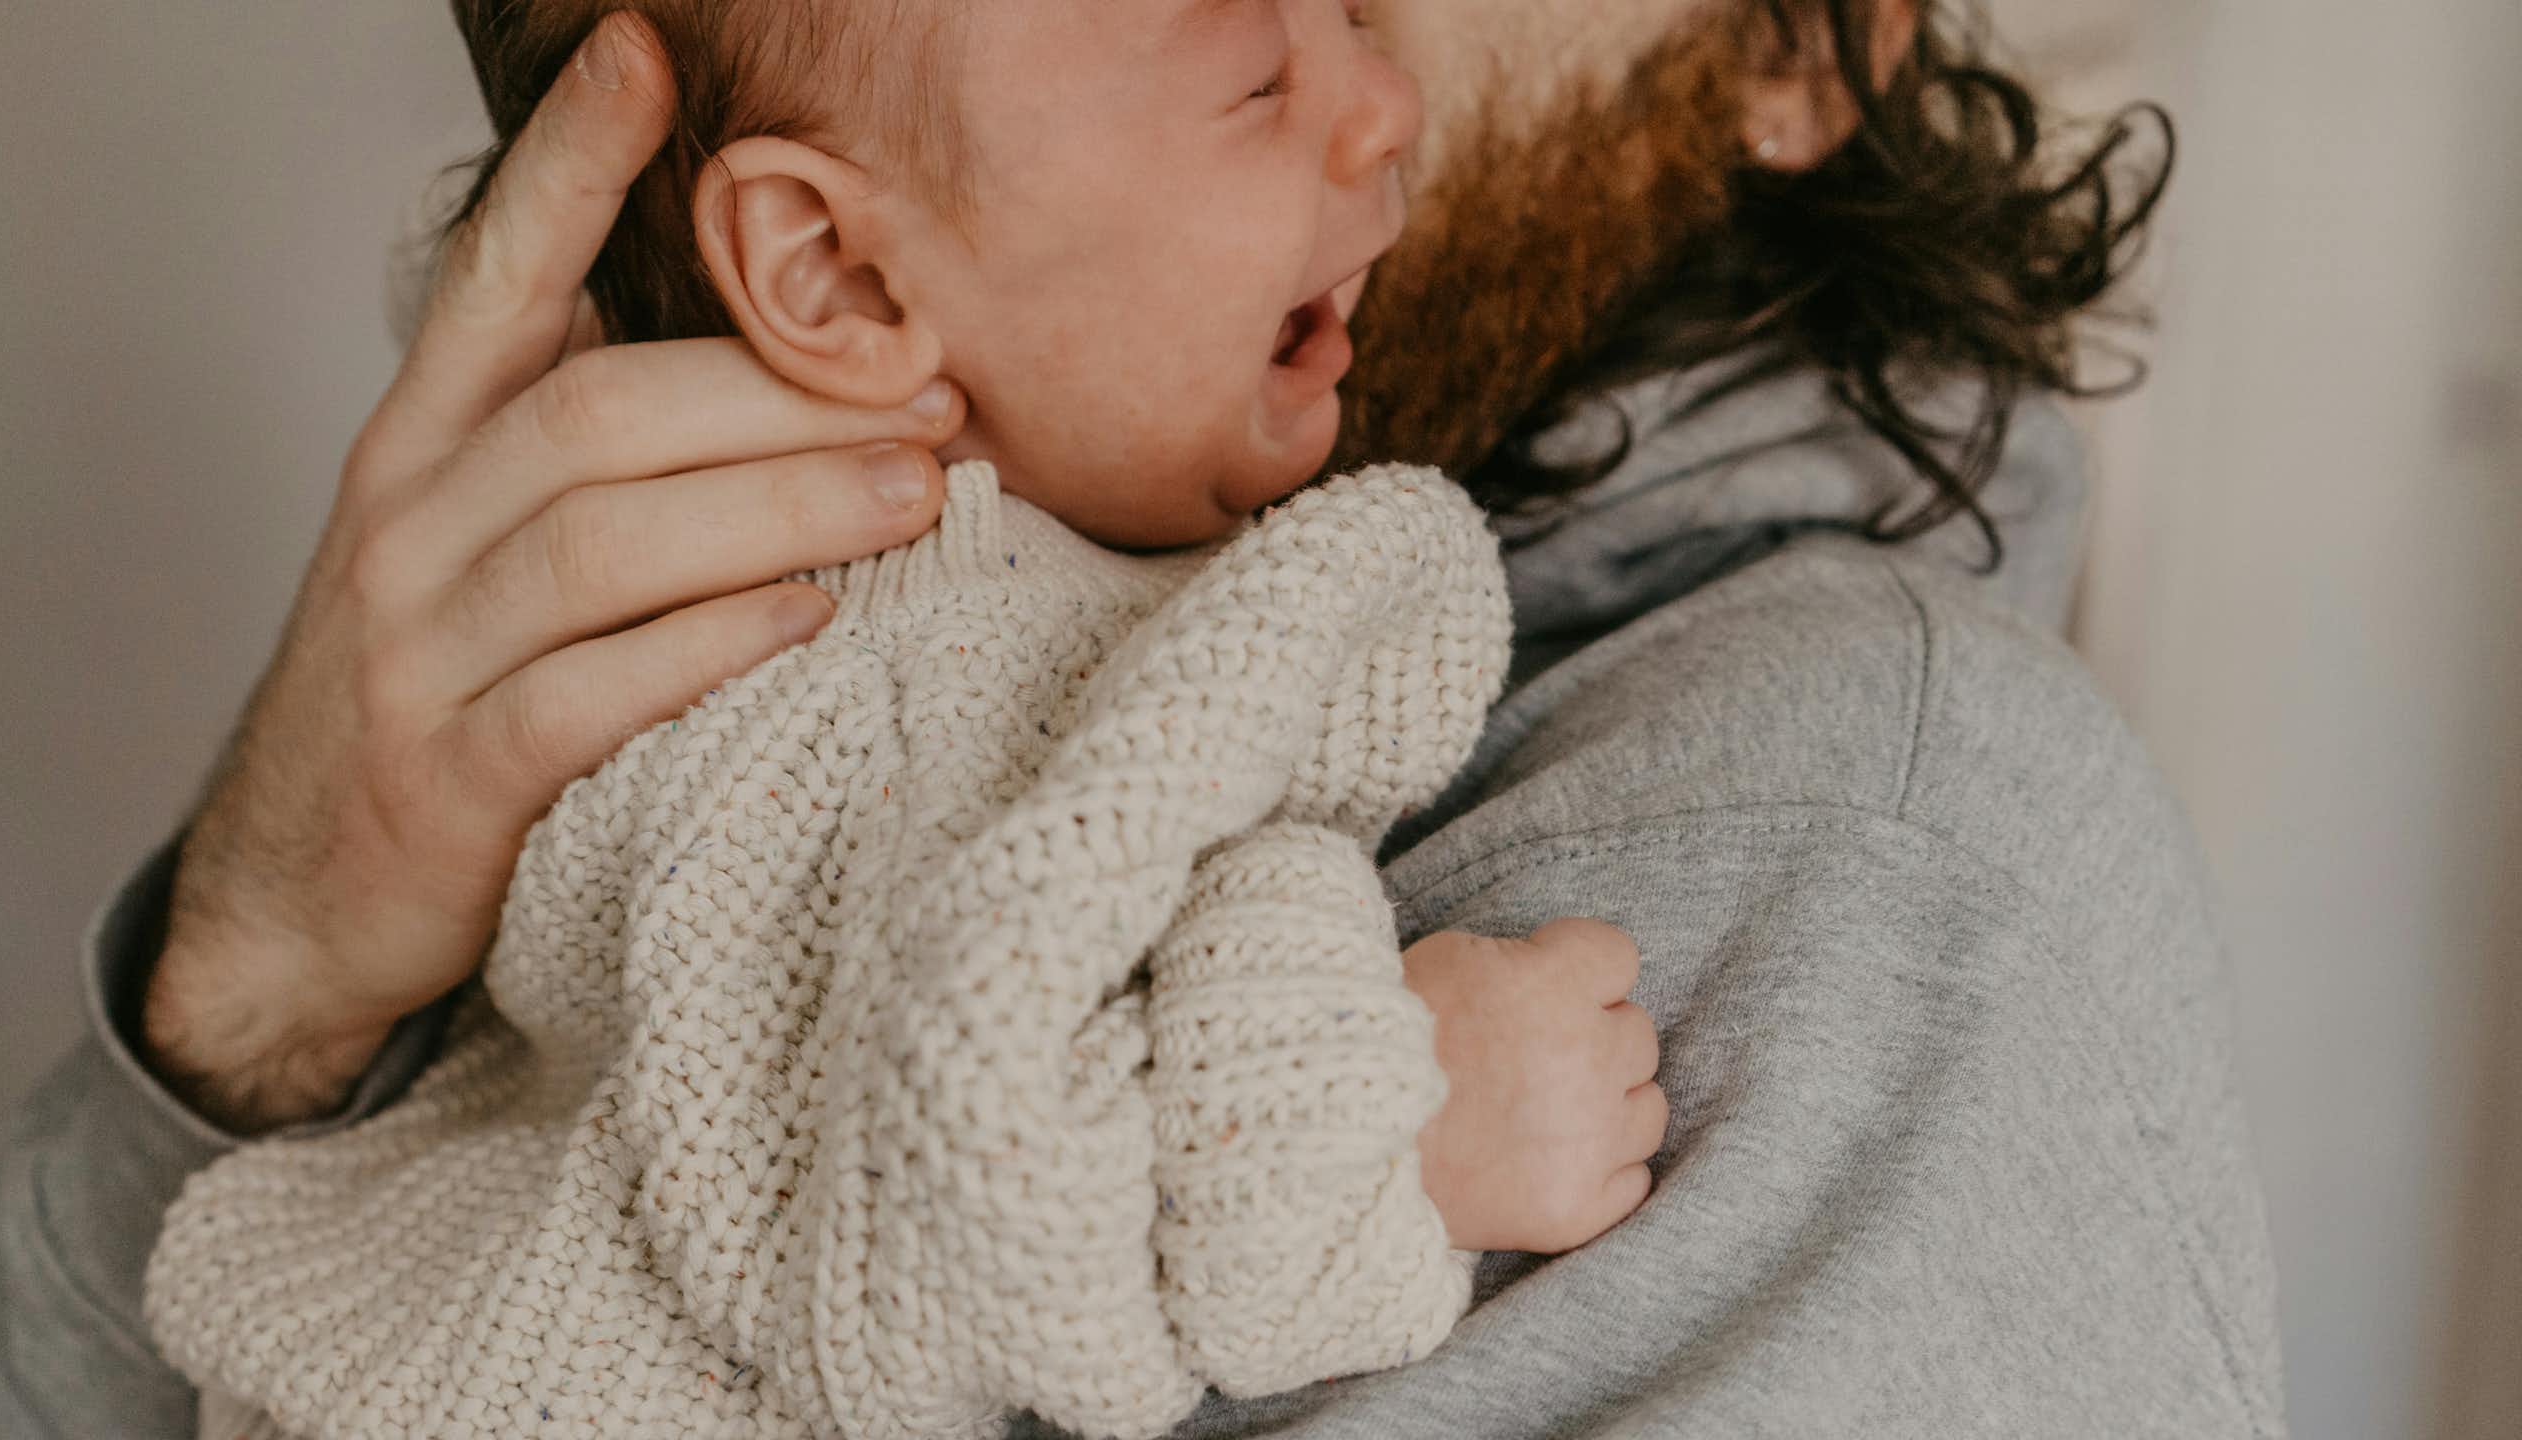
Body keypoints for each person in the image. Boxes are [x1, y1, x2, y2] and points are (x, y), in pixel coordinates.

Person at [0, 1, 2290, 1437]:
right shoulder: (755, 687)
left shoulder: (1854, 876)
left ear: (1803, 39)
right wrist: (251, 1003)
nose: (1339, 81)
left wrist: (1354, 1112)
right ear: (836, 259)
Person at [144, 5, 1664, 1431]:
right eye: (1254, 78)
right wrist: (1388, 1124)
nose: (1385, 99)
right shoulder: (864, 675)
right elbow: (940, 1185)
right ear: (843, 279)